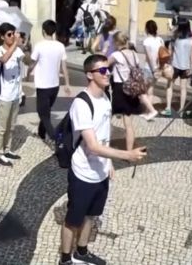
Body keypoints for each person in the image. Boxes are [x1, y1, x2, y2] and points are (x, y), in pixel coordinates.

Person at [59, 54, 147, 265]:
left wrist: (109, 163)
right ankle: (65, 259)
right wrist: (127, 155)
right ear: (90, 75)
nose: (108, 73)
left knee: (92, 215)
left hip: (100, 171)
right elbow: (93, 146)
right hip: (83, 171)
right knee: (73, 220)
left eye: (108, 69)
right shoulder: (82, 103)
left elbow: (104, 135)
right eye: (102, 70)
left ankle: (81, 252)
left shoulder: (106, 98)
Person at [108, 32, 157, 151]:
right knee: (128, 123)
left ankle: (103, 143)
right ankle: (129, 150)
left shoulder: (116, 55)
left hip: (120, 89)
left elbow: (104, 66)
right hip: (132, 88)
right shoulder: (135, 54)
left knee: (107, 117)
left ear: (116, 42)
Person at [28, 20, 70, 144]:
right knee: (46, 110)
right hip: (55, 85)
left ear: (43, 31)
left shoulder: (39, 46)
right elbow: (64, 67)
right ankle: (41, 133)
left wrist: (27, 73)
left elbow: (32, 63)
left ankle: (55, 138)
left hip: (43, 85)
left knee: (43, 113)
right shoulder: (60, 46)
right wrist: (67, 83)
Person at [0, 23, 25, 166]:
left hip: (16, 94)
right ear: (2, 37)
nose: (12, 37)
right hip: (4, 95)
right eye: (9, 35)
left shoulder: (17, 50)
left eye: (13, 34)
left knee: (11, 126)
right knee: (2, 127)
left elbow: (28, 61)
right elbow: (4, 60)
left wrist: (24, 45)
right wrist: (15, 44)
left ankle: (7, 149)